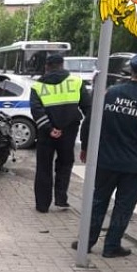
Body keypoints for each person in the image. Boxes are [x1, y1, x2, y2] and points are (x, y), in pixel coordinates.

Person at [73, 48, 137, 258]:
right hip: (134, 167)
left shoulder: (111, 93)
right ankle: (111, 247)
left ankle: (86, 242)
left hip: (105, 161)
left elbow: (90, 122)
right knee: (124, 206)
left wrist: (85, 147)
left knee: (98, 200)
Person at [30, 53, 91, 213]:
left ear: (47, 67)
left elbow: (36, 110)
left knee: (44, 167)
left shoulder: (38, 86)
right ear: (62, 65)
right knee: (65, 164)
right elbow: (88, 108)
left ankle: (42, 205)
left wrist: (50, 129)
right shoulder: (76, 82)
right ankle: (61, 199)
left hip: (46, 133)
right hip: (69, 131)